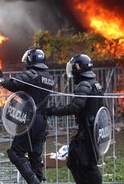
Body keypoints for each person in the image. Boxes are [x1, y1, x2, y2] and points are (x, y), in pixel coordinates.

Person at [42, 54, 105, 184]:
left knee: (87, 164)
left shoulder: (84, 85)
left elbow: (75, 107)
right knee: (75, 161)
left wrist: (52, 110)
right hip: (93, 130)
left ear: (78, 69)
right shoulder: (95, 84)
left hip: (88, 131)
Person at [0, 48, 54, 184]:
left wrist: (2, 79)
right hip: (42, 121)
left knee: (15, 152)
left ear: (31, 60)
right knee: (35, 155)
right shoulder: (49, 77)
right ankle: (38, 179)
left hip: (30, 120)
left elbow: (15, 84)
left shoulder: (32, 74)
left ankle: (34, 182)